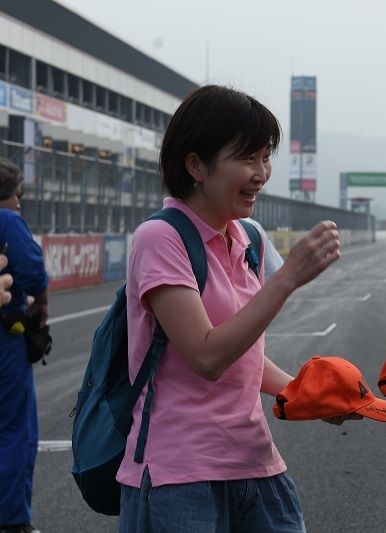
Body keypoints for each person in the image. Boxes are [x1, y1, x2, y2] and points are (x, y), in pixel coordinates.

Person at [117, 84, 352, 533]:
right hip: (179, 477)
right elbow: (207, 356)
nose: (261, 173)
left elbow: (243, 356)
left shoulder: (250, 237)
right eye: (247, 158)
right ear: (196, 165)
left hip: (255, 463)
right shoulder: (160, 237)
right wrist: (286, 279)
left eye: (266, 157)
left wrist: (306, 396)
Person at [0, 159, 49, 533]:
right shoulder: (7, 219)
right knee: (15, 427)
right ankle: (12, 519)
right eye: (17, 195)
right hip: (5, 334)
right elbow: (34, 273)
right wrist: (42, 303)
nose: (19, 202)